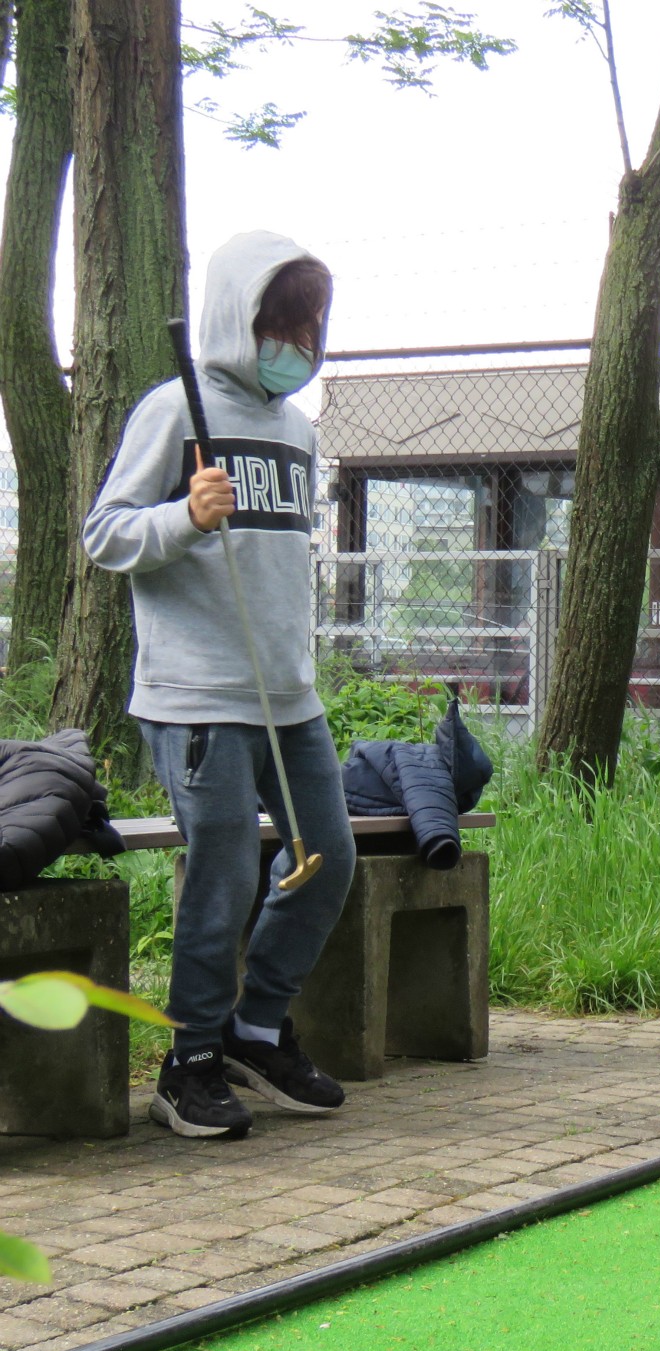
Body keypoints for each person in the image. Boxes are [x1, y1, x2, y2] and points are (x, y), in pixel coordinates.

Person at [83, 232, 357, 1139]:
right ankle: (188, 1060)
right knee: (227, 874)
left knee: (329, 859)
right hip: (197, 697)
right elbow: (107, 535)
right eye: (286, 324)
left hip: (291, 695)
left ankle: (256, 1026)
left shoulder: (299, 430)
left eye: (314, 326)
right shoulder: (175, 410)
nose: (302, 343)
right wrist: (183, 517)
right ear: (243, 322)